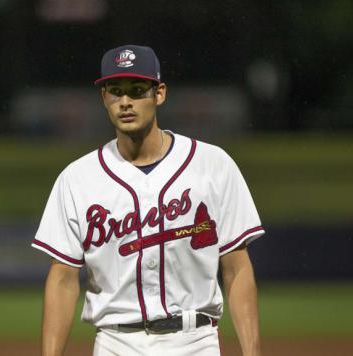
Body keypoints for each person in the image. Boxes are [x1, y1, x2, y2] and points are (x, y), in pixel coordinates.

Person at [32, 44, 265, 356]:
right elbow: (62, 280)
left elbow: (236, 269)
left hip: (195, 341)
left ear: (160, 94)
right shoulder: (77, 179)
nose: (125, 102)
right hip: (116, 343)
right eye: (115, 91)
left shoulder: (213, 165)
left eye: (137, 90)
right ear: (104, 98)